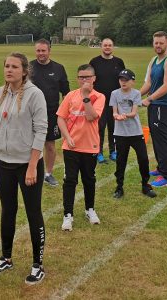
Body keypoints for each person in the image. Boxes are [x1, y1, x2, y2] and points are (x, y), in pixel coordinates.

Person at [0, 52, 48, 285]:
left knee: (33, 212)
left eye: (14, 67)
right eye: (6, 66)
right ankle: (6, 258)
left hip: (27, 164)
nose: (9, 70)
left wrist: (32, 166)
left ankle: (38, 264)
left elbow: (41, 131)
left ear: (24, 71)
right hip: (3, 162)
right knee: (8, 211)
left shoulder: (35, 95)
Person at [57, 64, 105, 231]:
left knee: (89, 179)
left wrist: (86, 97)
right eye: (81, 77)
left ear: (94, 78)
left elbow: (92, 117)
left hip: (90, 146)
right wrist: (67, 137)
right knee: (70, 180)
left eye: (87, 77)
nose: (84, 80)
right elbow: (61, 118)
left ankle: (89, 209)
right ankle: (68, 214)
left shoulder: (99, 97)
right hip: (71, 147)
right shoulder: (70, 95)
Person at [140, 31, 167, 187]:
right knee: (156, 138)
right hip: (154, 105)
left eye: (161, 43)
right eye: (155, 42)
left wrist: (149, 99)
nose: (158, 45)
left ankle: (166, 175)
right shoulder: (153, 60)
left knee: (163, 139)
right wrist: (136, 95)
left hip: (164, 106)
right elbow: (148, 84)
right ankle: (160, 167)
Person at [110, 69, 157, 199]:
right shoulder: (114, 93)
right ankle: (119, 187)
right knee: (121, 161)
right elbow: (114, 111)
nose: (123, 82)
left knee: (143, 158)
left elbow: (134, 112)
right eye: (121, 80)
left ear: (133, 82)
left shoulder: (136, 94)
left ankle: (145, 186)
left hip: (136, 133)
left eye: (126, 80)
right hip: (120, 134)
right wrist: (116, 116)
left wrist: (124, 115)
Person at [30, 38, 70, 186]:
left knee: (50, 145)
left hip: (52, 113)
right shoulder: (29, 67)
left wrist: (66, 113)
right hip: (31, 113)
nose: (40, 53)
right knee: (29, 143)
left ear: (49, 51)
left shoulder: (58, 68)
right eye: (38, 51)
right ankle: (31, 170)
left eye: (43, 51)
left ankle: (48, 173)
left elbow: (66, 93)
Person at [90, 38, 125, 163]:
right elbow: (90, 80)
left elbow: (123, 80)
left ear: (113, 47)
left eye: (110, 45)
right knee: (99, 127)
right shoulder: (94, 62)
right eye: (105, 45)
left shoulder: (119, 62)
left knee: (114, 127)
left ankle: (113, 151)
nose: (107, 47)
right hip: (99, 102)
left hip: (115, 101)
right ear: (101, 46)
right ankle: (98, 152)